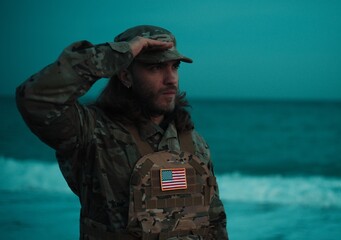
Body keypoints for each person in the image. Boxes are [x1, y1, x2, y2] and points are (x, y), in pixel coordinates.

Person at [16, 25, 228, 240]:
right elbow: (35, 98)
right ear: (125, 75)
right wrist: (119, 53)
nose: (171, 79)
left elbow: (214, 222)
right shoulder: (92, 132)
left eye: (174, 66)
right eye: (155, 67)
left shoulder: (192, 141)